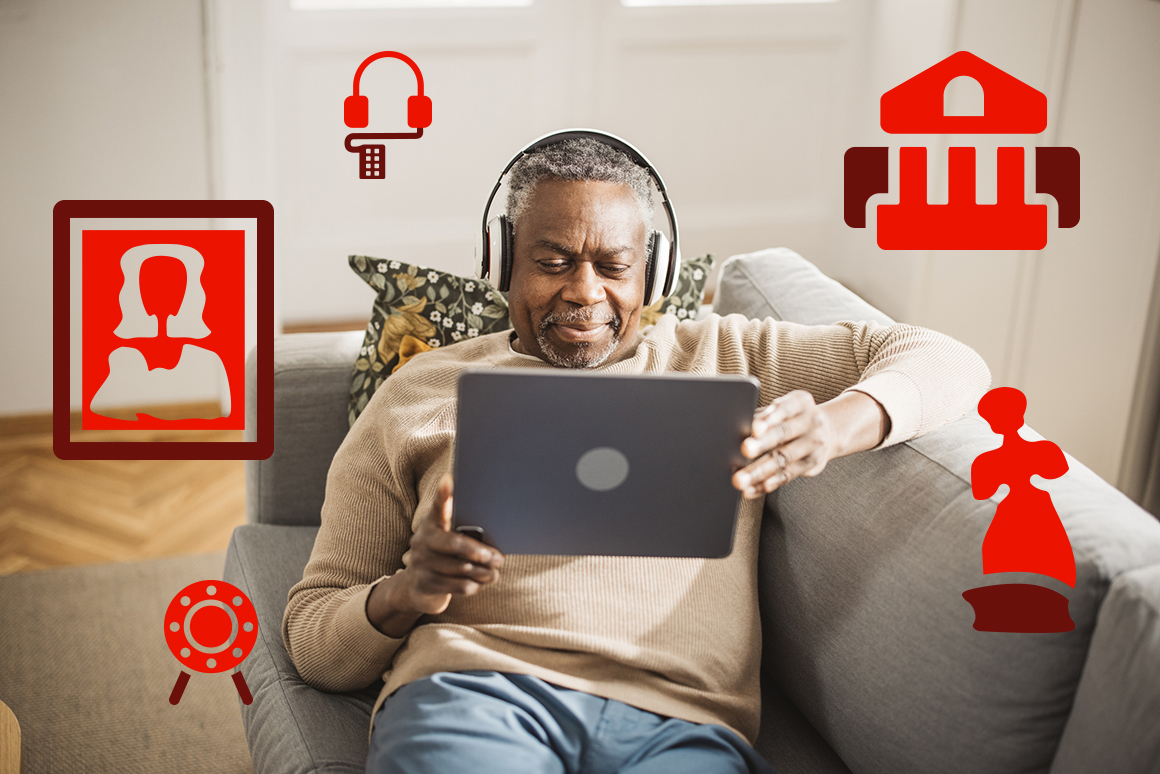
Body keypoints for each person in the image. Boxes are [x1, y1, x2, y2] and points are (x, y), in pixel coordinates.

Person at [284, 133, 991, 774]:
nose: (584, 293)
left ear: (652, 272)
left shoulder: (724, 355)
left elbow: (949, 359)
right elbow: (314, 633)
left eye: (612, 266)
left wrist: (840, 425)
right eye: (552, 262)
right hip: (475, 691)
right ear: (502, 260)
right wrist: (406, 593)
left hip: (684, 722)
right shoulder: (420, 392)